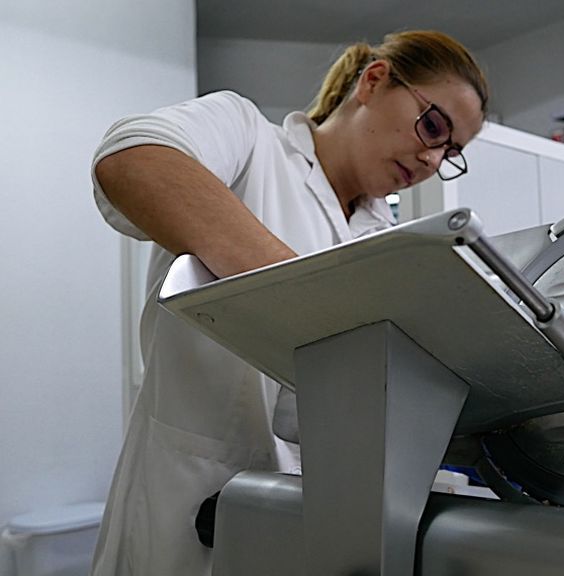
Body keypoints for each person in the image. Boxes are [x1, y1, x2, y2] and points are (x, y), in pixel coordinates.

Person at [88, 30, 488, 575]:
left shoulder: (387, 238)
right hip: (186, 511)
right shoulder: (251, 138)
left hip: (309, 527)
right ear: (373, 82)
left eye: (451, 151)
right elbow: (133, 159)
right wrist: (318, 309)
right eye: (434, 125)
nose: (431, 156)